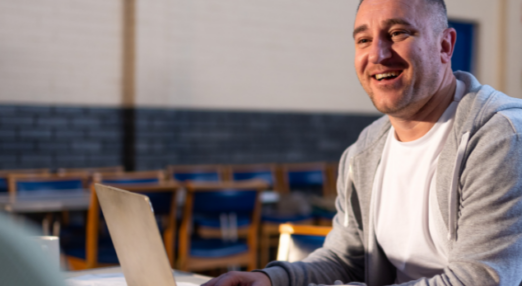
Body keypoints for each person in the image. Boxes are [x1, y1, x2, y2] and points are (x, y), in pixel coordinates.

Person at [203, 0, 522, 285]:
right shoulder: (364, 152)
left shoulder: (501, 137)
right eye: (364, 40)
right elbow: (346, 261)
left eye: (398, 33)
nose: (378, 55)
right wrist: (269, 280)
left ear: (445, 45)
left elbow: (482, 279)